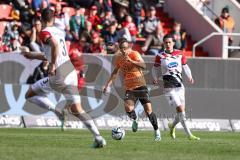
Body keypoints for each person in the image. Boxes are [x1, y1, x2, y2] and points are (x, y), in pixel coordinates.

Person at [22, 8, 106, 148]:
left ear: (42, 20)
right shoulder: (59, 32)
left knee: (29, 94)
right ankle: (99, 138)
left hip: (59, 73)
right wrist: (31, 55)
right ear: (53, 19)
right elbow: (52, 52)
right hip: (69, 69)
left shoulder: (44, 32)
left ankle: (56, 111)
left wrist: (53, 65)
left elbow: (54, 46)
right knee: (78, 110)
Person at [103, 38, 161, 141]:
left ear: (129, 47)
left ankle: (157, 132)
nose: (123, 50)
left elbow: (143, 65)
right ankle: (135, 119)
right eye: (121, 49)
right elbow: (115, 72)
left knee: (148, 110)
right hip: (129, 87)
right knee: (128, 108)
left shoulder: (135, 54)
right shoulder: (119, 58)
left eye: (125, 48)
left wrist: (132, 61)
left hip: (141, 86)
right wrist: (107, 85)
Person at [152, 34, 200, 140]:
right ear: (163, 43)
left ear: (173, 43)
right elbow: (155, 68)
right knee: (181, 109)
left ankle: (172, 126)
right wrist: (155, 77)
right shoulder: (160, 56)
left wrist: (190, 76)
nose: (168, 44)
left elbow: (185, 67)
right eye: (166, 42)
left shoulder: (180, 54)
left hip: (180, 86)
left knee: (181, 112)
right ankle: (189, 135)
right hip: (169, 87)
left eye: (170, 42)